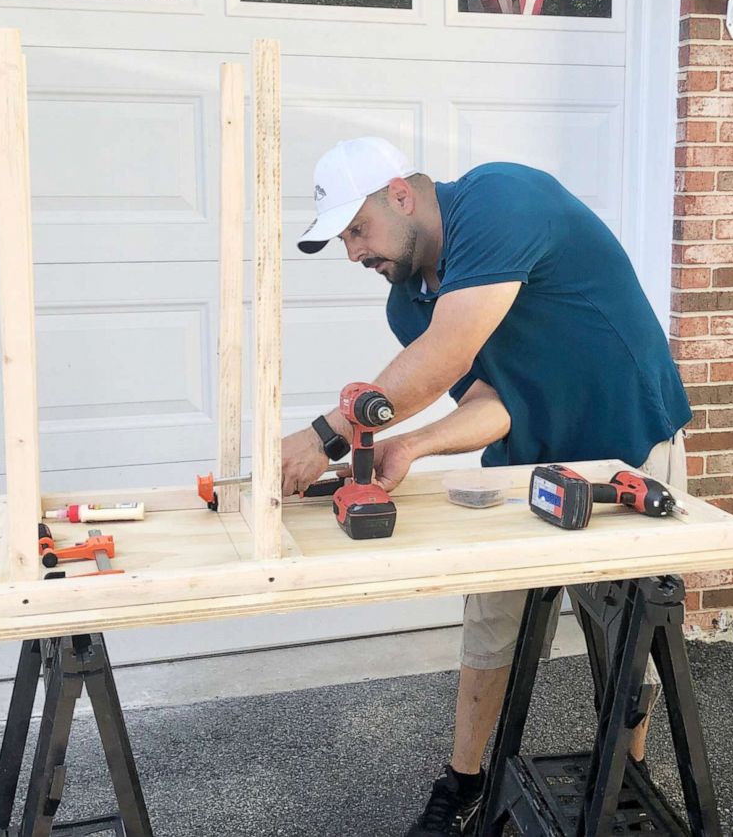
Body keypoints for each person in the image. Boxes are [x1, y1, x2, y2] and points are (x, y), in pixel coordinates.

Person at [278, 137, 691, 836]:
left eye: (358, 229)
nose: (353, 253)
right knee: (492, 624)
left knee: (625, 628)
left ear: (401, 195)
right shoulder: (409, 305)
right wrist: (412, 444)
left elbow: (445, 358)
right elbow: (493, 398)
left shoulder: (501, 200)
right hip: (528, 457)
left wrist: (323, 436)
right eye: (343, 240)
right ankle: (465, 782)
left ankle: (627, 777)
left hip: (627, 440)